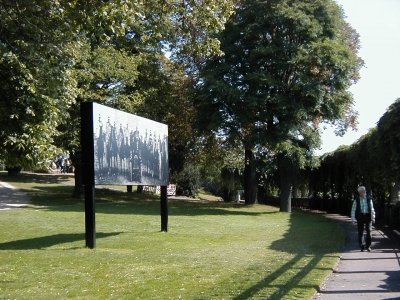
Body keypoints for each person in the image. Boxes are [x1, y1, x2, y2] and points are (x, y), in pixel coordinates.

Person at [351, 186, 375, 252]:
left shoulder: (369, 199)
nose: (361, 193)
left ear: (365, 192)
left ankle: (368, 246)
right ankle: (362, 246)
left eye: (362, 192)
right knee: (360, 232)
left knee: (369, 231)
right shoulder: (356, 200)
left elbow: (372, 209)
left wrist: (373, 217)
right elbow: (353, 210)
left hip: (368, 216)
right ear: (359, 193)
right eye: (360, 192)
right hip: (360, 216)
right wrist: (353, 219)